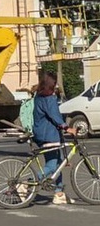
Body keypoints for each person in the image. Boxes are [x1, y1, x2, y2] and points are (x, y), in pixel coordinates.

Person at [32, 71, 76, 204]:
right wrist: (67, 128)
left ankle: (59, 193)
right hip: (48, 135)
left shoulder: (38, 95)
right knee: (52, 165)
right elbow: (55, 116)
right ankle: (27, 183)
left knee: (58, 164)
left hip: (41, 134)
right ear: (51, 84)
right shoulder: (49, 98)